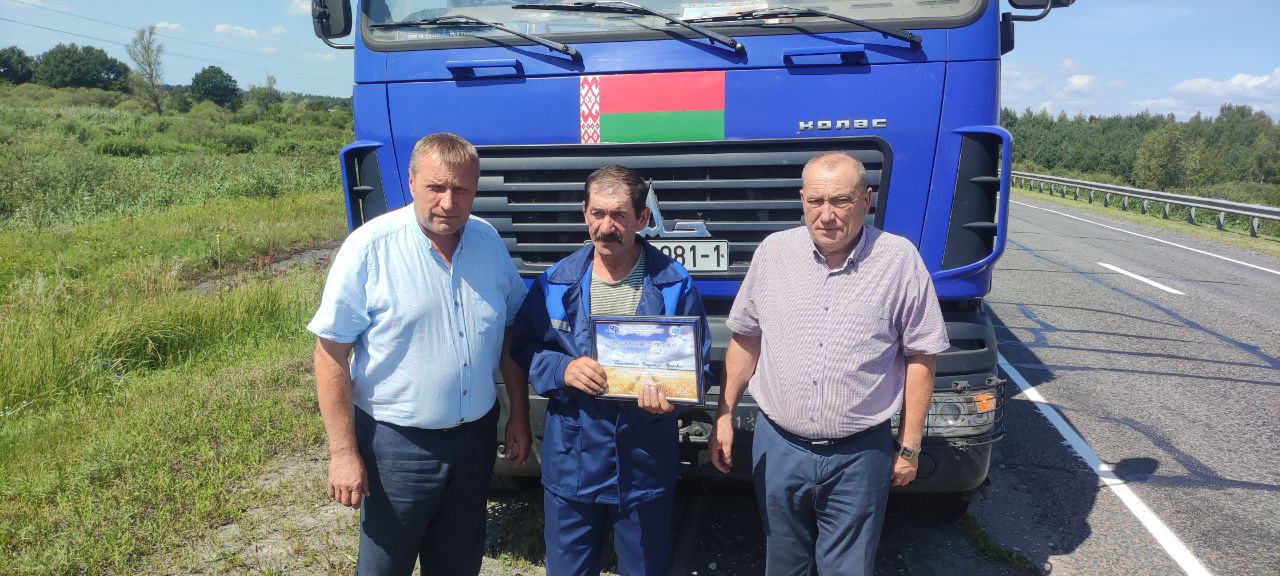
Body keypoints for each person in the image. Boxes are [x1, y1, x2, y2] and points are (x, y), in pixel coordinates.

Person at [709, 151, 950, 575]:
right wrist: (723, 415)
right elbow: (746, 339)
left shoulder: (899, 261)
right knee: (784, 563)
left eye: (840, 201)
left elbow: (920, 356)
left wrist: (909, 447)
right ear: (802, 200)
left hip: (859, 455)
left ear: (866, 200)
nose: (826, 215)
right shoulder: (773, 253)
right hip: (779, 447)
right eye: (816, 201)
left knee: (848, 568)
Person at [308, 132, 532, 575]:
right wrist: (343, 452)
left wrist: (520, 415)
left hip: (475, 441)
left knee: (458, 563)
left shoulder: (488, 242)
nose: (448, 202)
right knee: (385, 566)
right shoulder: (369, 247)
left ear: (475, 188)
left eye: (461, 189)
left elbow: (510, 333)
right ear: (411, 182)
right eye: (436, 187)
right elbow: (329, 353)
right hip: (397, 446)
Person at [512, 165, 712, 576]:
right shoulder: (554, 284)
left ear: (642, 218)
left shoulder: (674, 285)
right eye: (598, 213)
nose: (606, 227)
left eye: (619, 215)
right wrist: (562, 368)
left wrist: (672, 403)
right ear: (584, 212)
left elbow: (700, 367)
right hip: (573, 457)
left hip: (643, 460)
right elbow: (524, 348)